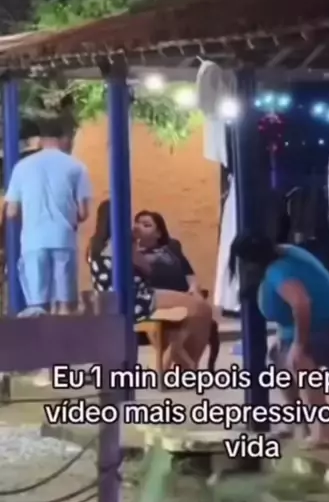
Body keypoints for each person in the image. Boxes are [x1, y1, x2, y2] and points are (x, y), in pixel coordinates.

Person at [229, 233, 329, 449]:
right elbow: (290, 310)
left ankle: (325, 432)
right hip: (325, 319)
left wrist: (299, 345)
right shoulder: (284, 251)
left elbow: (302, 303)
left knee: (301, 361)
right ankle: (297, 421)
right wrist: (285, 339)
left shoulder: (279, 271)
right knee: (278, 356)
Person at [87, 201, 211, 369]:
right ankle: (188, 364)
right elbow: (146, 269)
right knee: (200, 308)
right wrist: (135, 247)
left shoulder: (93, 245)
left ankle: (181, 363)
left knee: (188, 312)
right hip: (137, 300)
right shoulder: (122, 241)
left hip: (109, 303)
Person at [4, 115, 92, 314]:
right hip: (64, 239)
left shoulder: (22, 167)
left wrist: (31, 218)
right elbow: (83, 212)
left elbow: (11, 211)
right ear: (64, 138)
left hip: (33, 241)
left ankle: (39, 332)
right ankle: (64, 333)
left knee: (37, 305)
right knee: (65, 304)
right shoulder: (76, 167)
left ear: (41, 139)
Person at [133, 210, 219, 370]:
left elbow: (189, 274)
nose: (139, 227)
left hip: (183, 297)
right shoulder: (132, 252)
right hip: (156, 302)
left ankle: (190, 364)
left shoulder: (172, 247)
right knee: (172, 323)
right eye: (137, 224)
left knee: (201, 310)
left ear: (158, 233)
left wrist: (194, 289)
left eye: (146, 225)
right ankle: (180, 367)